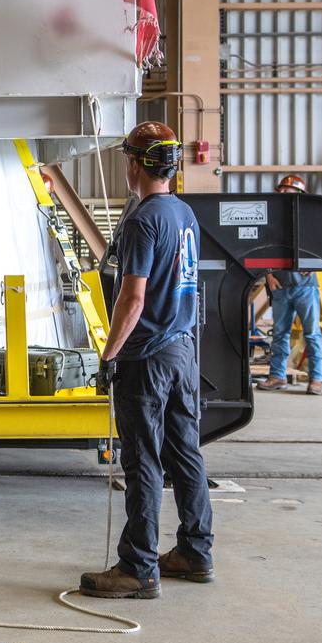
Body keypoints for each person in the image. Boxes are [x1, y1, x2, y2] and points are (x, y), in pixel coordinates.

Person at [80, 122, 214, 599]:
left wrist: (108, 354)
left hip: (147, 357)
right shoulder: (183, 213)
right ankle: (195, 552)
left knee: (142, 462)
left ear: (136, 164)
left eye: (128, 159)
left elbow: (132, 300)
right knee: (185, 453)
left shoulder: (142, 220)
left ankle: (138, 567)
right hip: (181, 351)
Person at [256, 175, 322, 395]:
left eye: (288, 191)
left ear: (299, 195)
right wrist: (269, 276)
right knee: (280, 334)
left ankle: (316, 378)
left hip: (305, 287)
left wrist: (317, 265)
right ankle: (277, 376)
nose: (284, 194)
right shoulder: (273, 222)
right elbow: (264, 250)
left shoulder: (311, 222)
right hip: (281, 286)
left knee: (312, 333)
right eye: (282, 190)